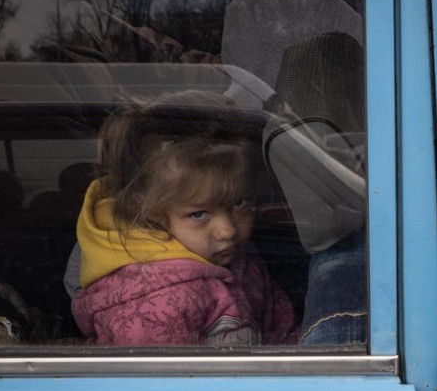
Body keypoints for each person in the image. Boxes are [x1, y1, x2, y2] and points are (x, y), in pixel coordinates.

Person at [71, 90, 298, 346]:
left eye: (239, 203)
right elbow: (153, 373)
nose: (227, 231)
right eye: (199, 214)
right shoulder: (156, 307)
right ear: (153, 214)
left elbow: (282, 331)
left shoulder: (239, 259)